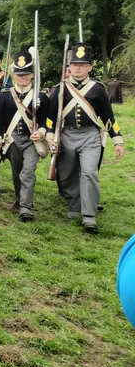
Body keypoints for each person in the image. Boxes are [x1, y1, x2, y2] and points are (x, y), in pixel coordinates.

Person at [46, 42, 124, 233]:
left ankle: (89, 215)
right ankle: (74, 207)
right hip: (67, 135)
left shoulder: (97, 89)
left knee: (89, 172)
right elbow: (50, 118)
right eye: (74, 65)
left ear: (89, 67)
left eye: (82, 65)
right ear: (69, 67)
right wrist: (49, 136)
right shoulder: (59, 89)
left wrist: (118, 139)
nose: (77, 68)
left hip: (90, 136)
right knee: (67, 173)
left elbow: (108, 117)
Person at [0, 50, 49, 221]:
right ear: (14, 74)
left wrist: (42, 132)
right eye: (19, 74)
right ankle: (19, 199)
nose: (22, 77)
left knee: (28, 171)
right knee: (17, 172)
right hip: (12, 139)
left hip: (32, 140)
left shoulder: (41, 96)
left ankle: (25, 206)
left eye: (26, 74)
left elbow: (48, 121)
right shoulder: (5, 95)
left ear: (32, 75)